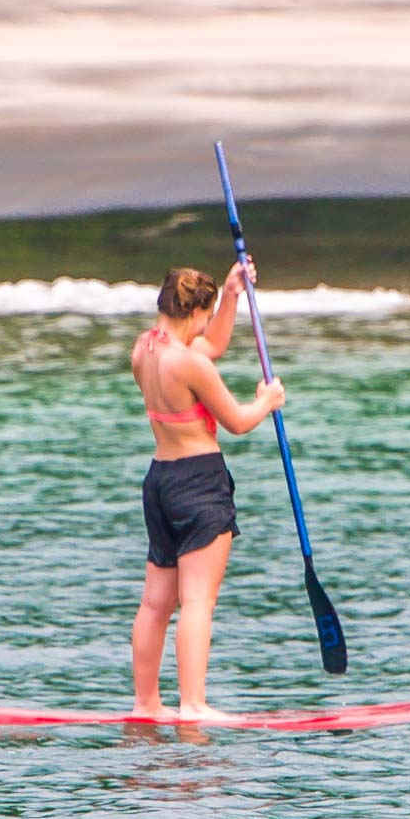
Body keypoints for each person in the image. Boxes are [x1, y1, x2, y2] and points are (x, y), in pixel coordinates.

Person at [130, 262, 285, 722]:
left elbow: (211, 343)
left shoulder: (144, 350)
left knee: (155, 603)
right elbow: (237, 421)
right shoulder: (188, 363)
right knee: (198, 600)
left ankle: (146, 704)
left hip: (159, 481)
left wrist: (233, 293)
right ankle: (193, 704)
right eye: (208, 311)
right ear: (196, 309)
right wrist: (268, 401)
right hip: (199, 484)